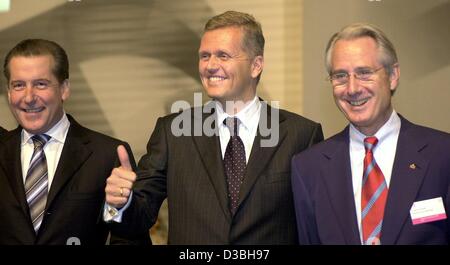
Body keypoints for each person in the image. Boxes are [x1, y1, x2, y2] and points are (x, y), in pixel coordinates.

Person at [105, 10, 323, 244]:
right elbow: (137, 218)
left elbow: (316, 228)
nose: (210, 65)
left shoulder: (301, 136)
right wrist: (119, 202)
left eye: (223, 55)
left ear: (256, 65)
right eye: (205, 56)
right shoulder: (173, 132)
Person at [291, 23, 450, 245]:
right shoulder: (308, 168)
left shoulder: (442, 156)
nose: (352, 88)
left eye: (364, 73)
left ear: (393, 76)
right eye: (340, 76)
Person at [0, 39, 146, 245]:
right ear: (8, 92)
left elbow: (130, 239)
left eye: (40, 84)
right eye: (18, 85)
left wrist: (122, 207)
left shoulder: (106, 154)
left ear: (64, 89)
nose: (28, 97)